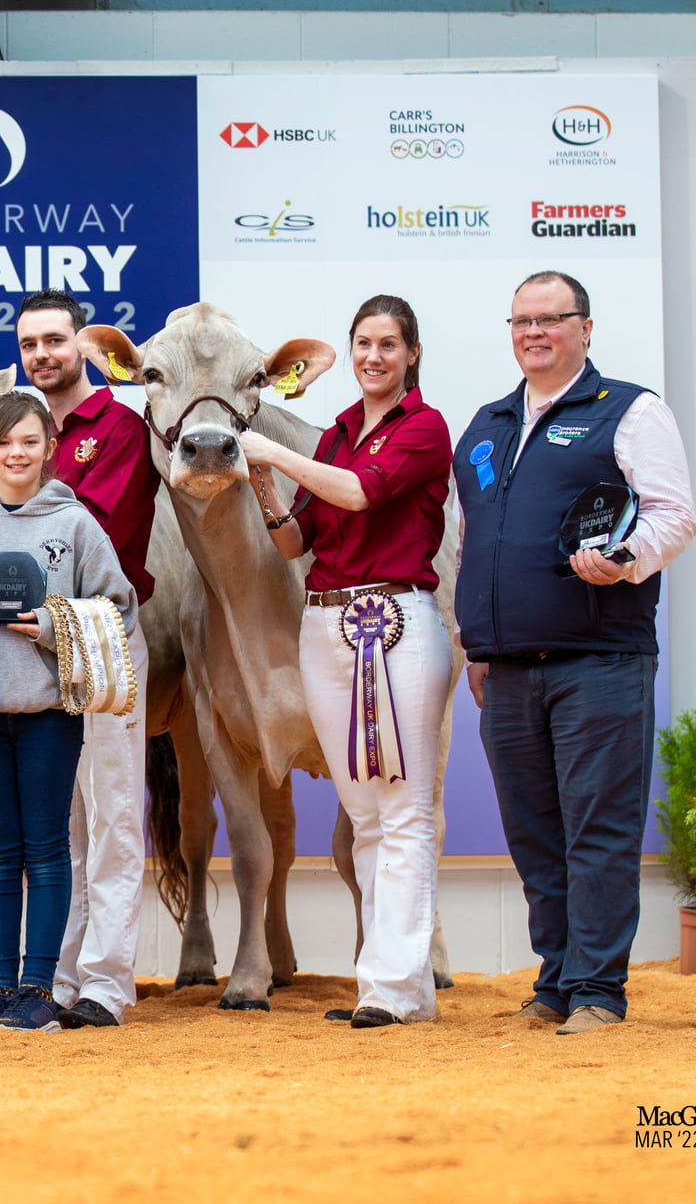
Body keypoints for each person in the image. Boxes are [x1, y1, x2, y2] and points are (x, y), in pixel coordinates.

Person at [453, 271, 696, 1035]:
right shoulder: (487, 425)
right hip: (508, 667)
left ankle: (598, 990)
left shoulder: (628, 409)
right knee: (534, 834)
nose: (534, 332)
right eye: (522, 320)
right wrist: (475, 642)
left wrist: (626, 557)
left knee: (598, 828)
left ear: (584, 328)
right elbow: (471, 543)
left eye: (551, 319)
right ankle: (555, 979)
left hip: (600, 659)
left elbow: (673, 515)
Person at [240, 294, 454, 1028]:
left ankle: (396, 985)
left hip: (394, 621)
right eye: (363, 343)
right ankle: (389, 986)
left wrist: (271, 451)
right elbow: (296, 542)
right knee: (365, 813)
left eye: (388, 344)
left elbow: (362, 495)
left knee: (404, 808)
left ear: (411, 353)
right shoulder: (335, 433)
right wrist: (267, 492)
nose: (372, 356)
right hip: (327, 624)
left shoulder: (423, 428)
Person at [0, 289, 158, 1029]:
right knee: (50, 829)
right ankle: (50, 982)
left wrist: (6, 491)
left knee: (111, 811)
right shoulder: (14, 428)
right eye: (29, 343)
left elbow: (99, 526)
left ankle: (104, 979)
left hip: (97, 640)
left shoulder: (121, 427)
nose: (43, 353)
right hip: (8, 661)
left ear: (83, 346)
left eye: (55, 340)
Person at [0, 392, 139, 1033]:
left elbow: (119, 607)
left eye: (30, 442)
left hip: (48, 710)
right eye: (4, 443)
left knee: (46, 849)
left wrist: (53, 625)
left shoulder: (74, 526)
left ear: (49, 449)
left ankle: (40, 988)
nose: (17, 454)